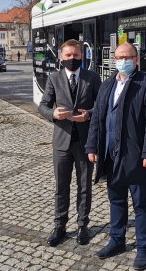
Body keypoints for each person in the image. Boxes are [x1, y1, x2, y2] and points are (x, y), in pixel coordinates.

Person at [86, 42, 146, 270]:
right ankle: (117, 240)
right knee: (116, 201)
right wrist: (92, 147)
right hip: (111, 155)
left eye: (128, 57)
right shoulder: (107, 85)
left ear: (136, 59)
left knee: (141, 204)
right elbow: (98, 120)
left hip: (138, 156)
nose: (123, 61)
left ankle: (143, 249)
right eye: (119, 57)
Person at [38, 39, 101, 247]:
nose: (71, 59)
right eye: (68, 56)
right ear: (61, 57)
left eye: (75, 55)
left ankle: (83, 225)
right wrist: (53, 114)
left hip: (85, 142)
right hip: (61, 142)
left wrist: (89, 115)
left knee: (84, 187)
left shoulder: (92, 77)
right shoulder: (54, 78)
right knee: (61, 187)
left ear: (82, 56)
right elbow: (44, 105)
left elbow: (101, 106)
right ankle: (60, 226)